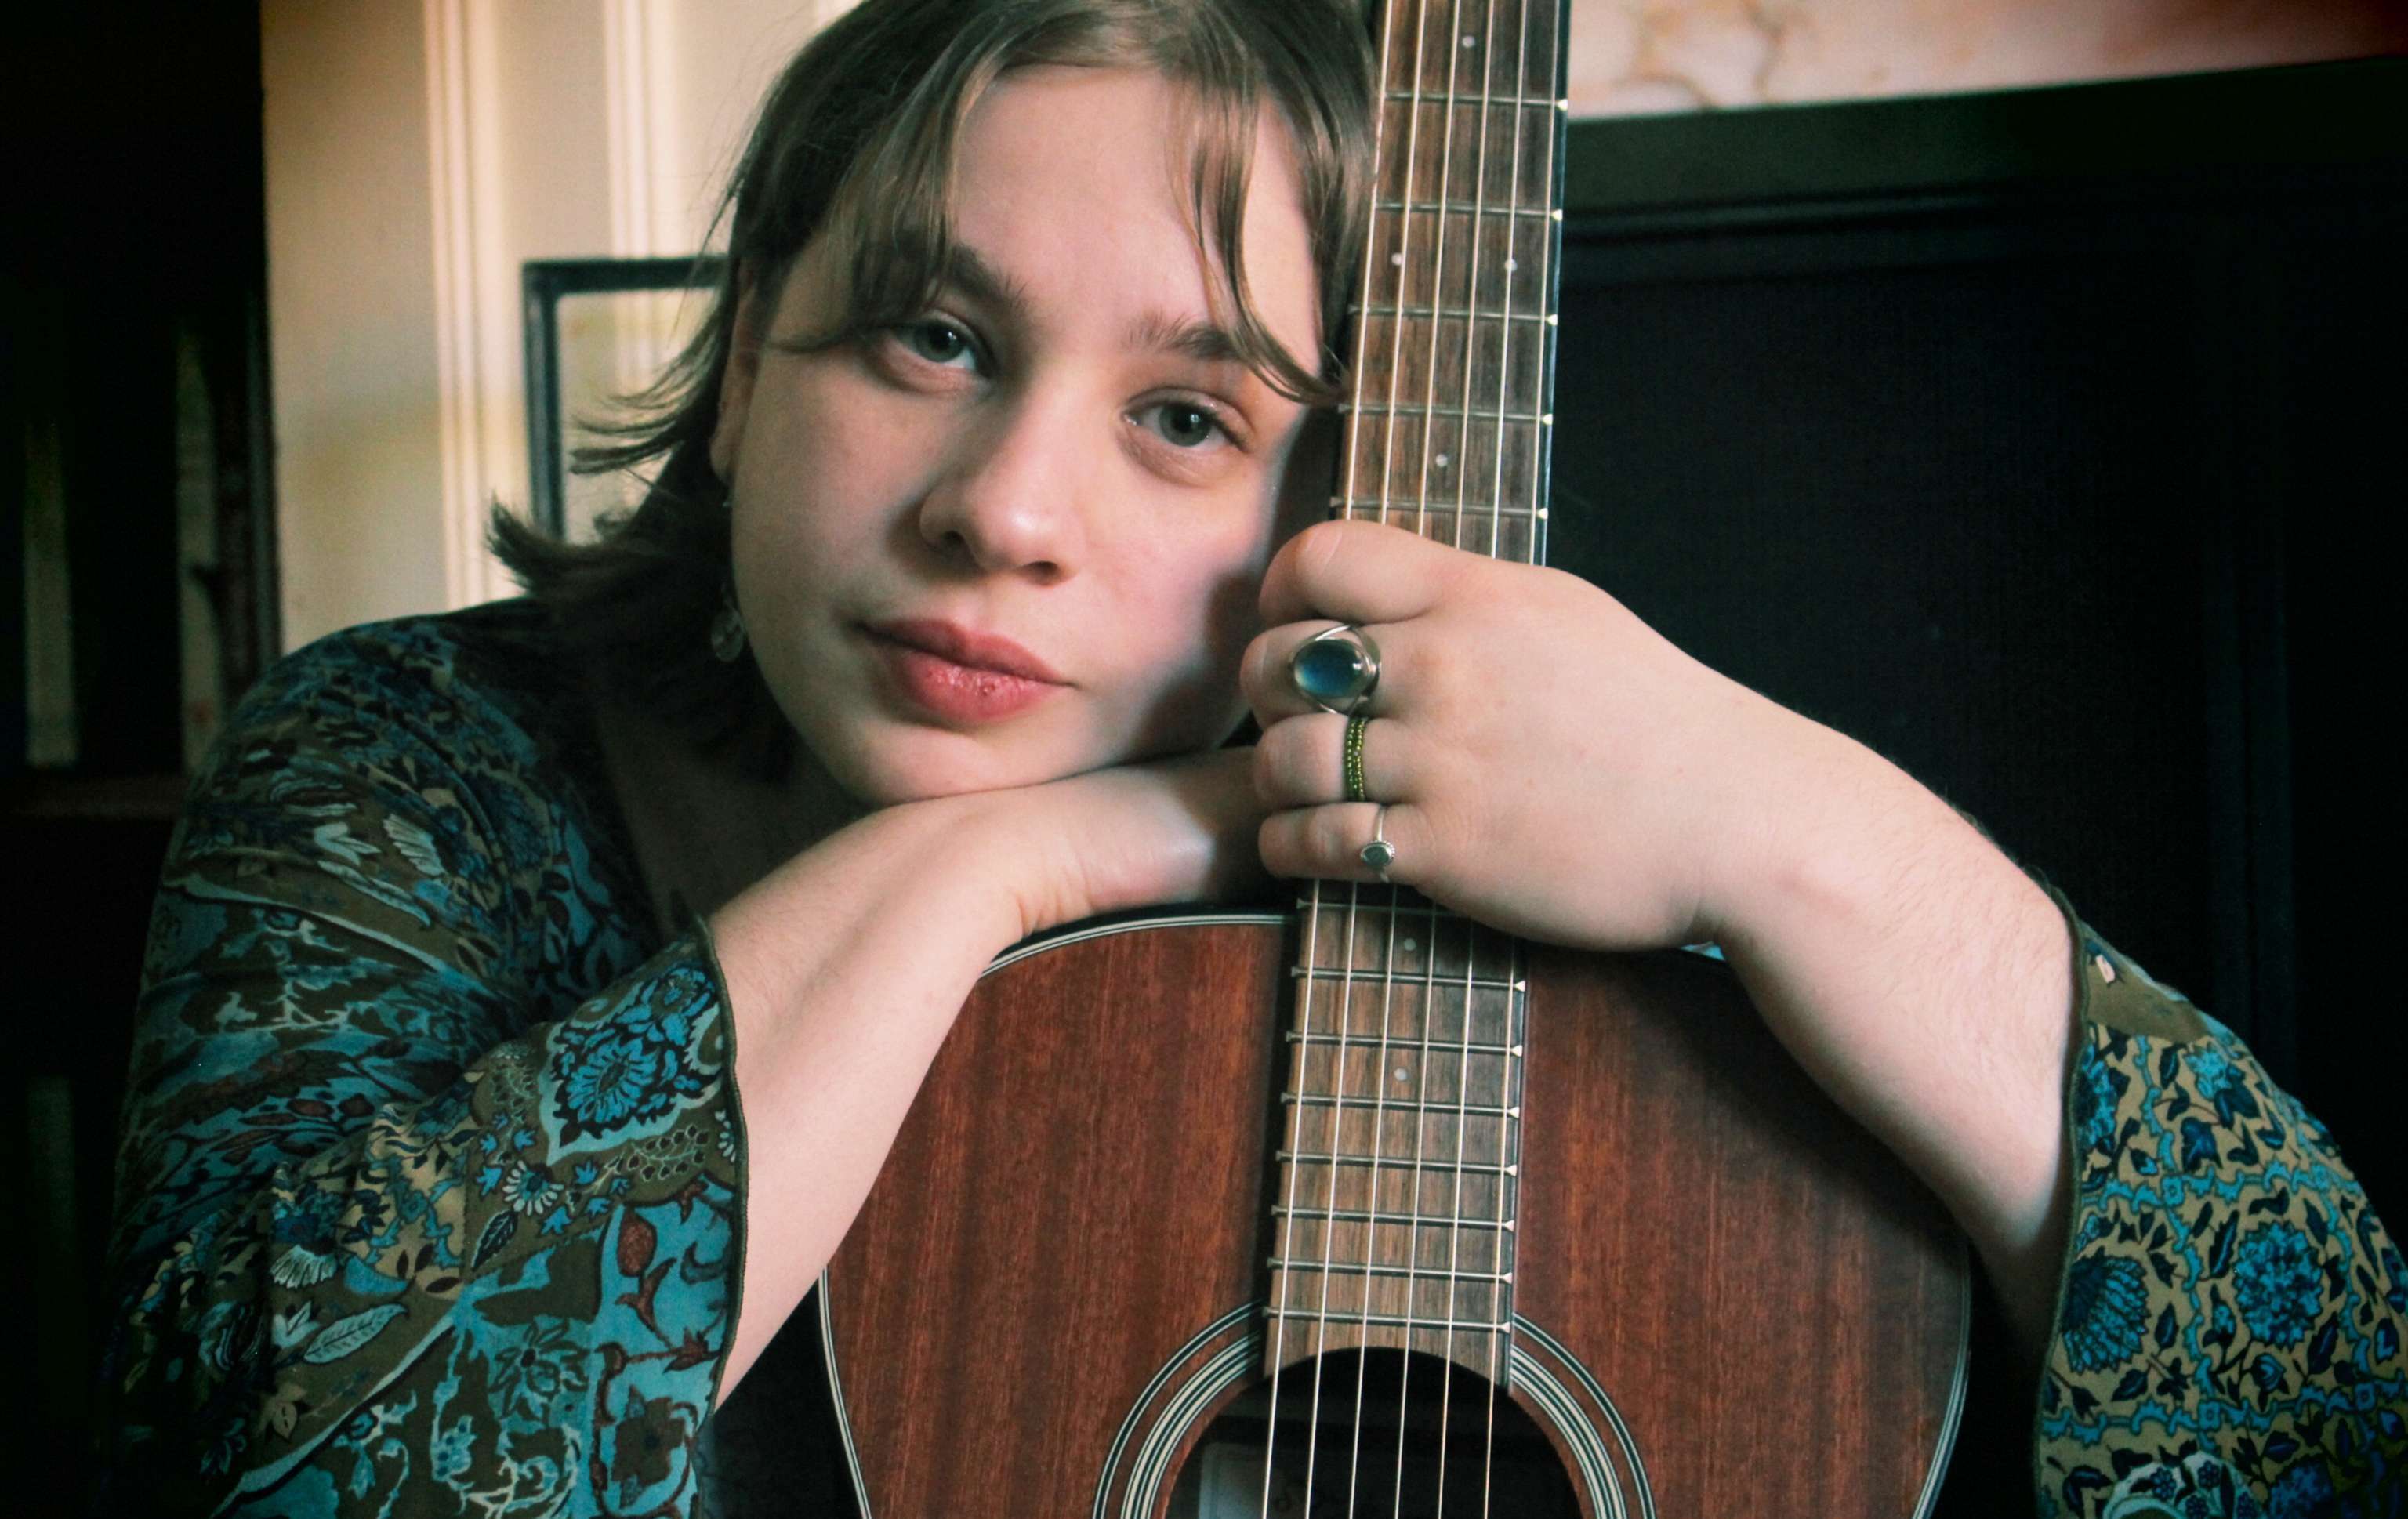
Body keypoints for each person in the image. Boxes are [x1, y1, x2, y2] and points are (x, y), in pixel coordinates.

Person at [96, 0, 2403, 1514]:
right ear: (743, 360)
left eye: (1188, 417)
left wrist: (1786, 826)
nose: (1007, 509)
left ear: (1347, 497)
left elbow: (2316, 1407)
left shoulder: (1483, 916)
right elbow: (295, 1472)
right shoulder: (406, 761)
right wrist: (1014, 862)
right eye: (931, 335)